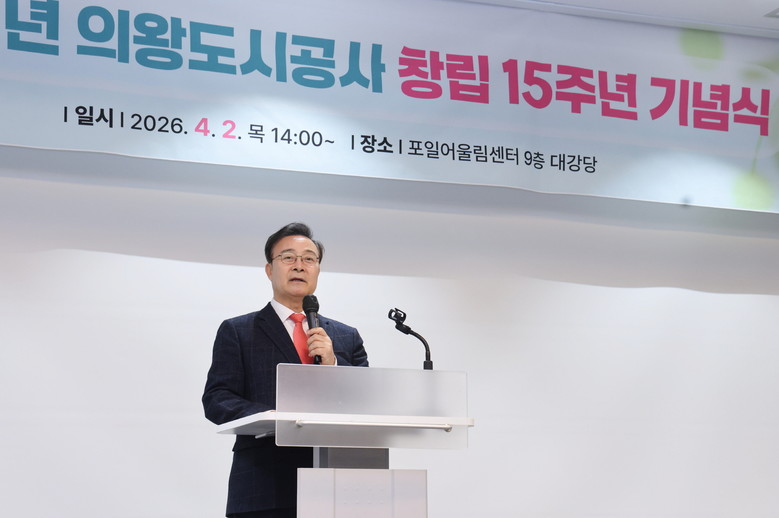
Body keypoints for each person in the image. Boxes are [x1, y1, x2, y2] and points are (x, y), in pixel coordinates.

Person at [202, 222, 369, 518]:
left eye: (309, 259)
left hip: (339, 483)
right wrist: (274, 417)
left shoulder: (345, 336)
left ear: (318, 270)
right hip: (265, 483)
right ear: (270, 269)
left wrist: (333, 364)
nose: (299, 266)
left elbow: (367, 402)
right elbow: (218, 399)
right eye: (288, 257)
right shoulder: (239, 331)